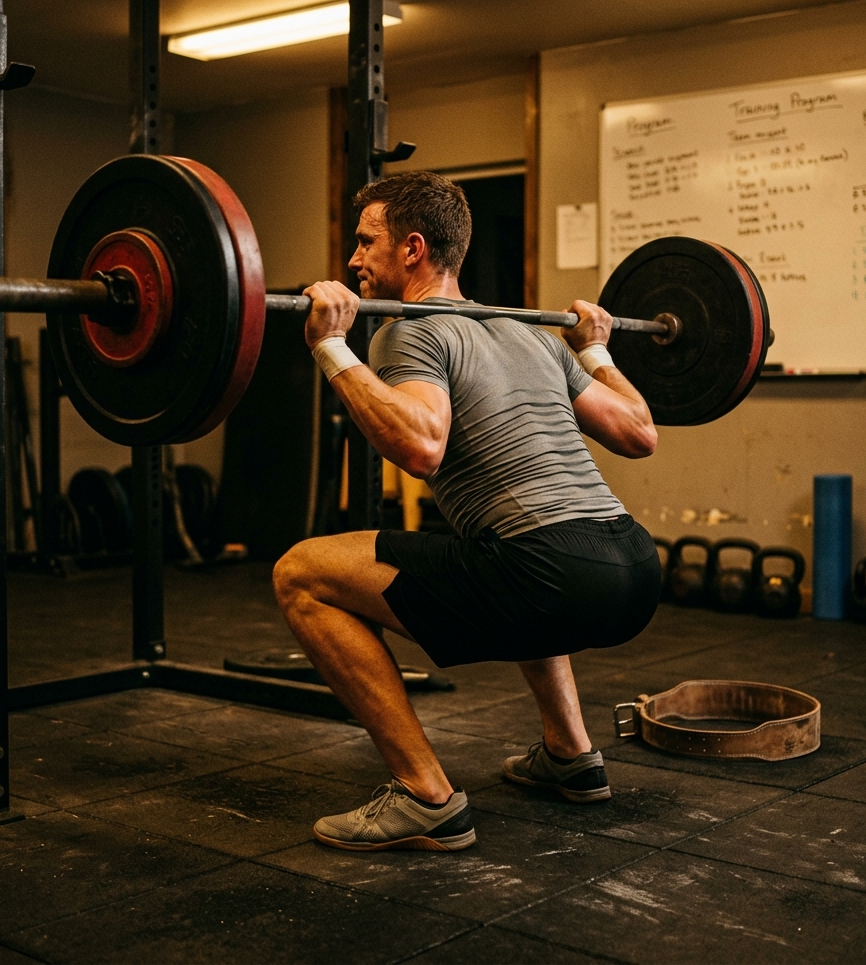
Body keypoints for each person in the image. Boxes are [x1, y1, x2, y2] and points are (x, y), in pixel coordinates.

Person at [272, 171, 661, 853]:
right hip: (631, 567)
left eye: (367, 243)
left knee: (300, 572)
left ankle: (425, 795)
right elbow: (637, 431)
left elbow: (421, 445)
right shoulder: (532, 334)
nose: (355, 261)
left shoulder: (407, 332)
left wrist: (330, 346)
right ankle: (571, 754)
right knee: (510, 547)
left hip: (551, 573)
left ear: (413, 249)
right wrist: (594, 347)